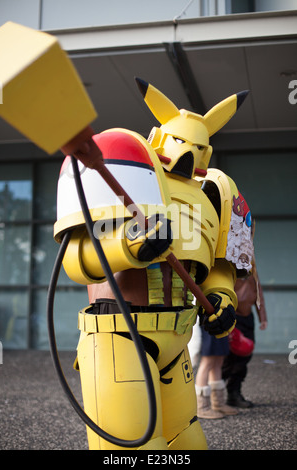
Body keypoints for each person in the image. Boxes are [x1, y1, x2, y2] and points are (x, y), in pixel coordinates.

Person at [54, 78, 252, 450]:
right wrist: (128, 245)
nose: (189, 153)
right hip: (120, 336)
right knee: (135, 450)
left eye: (199, 146)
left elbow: (218, 265)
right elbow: (75, 259)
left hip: (177, 340)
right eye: (182, 143)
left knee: (186, 442)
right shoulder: (126, 169)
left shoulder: (215, 194)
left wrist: (221, 298)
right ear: (160, 138)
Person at [222, 262, 268, 408]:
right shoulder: (230, 271)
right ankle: (215, 394)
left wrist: (263, 318)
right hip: (234, 318)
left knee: (245, 355)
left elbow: (258, 294)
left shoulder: (252, 271)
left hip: (248, 319)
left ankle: (234, 393)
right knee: (228, 359)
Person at [195, 327, 239, 419]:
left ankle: (218, 403)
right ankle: (202, 407)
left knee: (218, 361)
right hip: (210, 323)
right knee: (207, 362)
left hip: (221, 323)